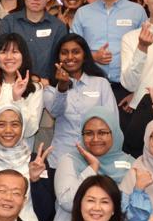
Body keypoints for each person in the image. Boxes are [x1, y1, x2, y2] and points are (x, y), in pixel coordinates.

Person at [71, 0, 147, 105]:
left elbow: (147, 54)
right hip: (90, 87)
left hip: (127, 90)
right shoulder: (82, 13)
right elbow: (72, 51)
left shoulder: (137, 11)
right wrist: (92, 57)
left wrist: (137, 93)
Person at [52, 106, 133, 221]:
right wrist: (92, 168)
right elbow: (68, 202)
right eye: (89, 133)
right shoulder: (69, 160)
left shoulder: (131, 164)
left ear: (114, 132)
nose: (95, 139)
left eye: (102, 132)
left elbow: (131, 213)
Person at [46, 33, 117, 174]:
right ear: (58, 58)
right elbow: (55, 112)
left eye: (76, 52)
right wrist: (62, 87)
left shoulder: (101, 83)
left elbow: (112, 122)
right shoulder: (50, 88)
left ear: (84, 56)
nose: (70, 57)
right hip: (62, 158)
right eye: (64, 53)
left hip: (97, 158)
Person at [0, 0, 67, 82]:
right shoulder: (9, 22)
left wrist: (48, 82)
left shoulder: (58, 27)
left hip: (47, 86)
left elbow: (61, 63)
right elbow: (2, 56)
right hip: (13, 85)